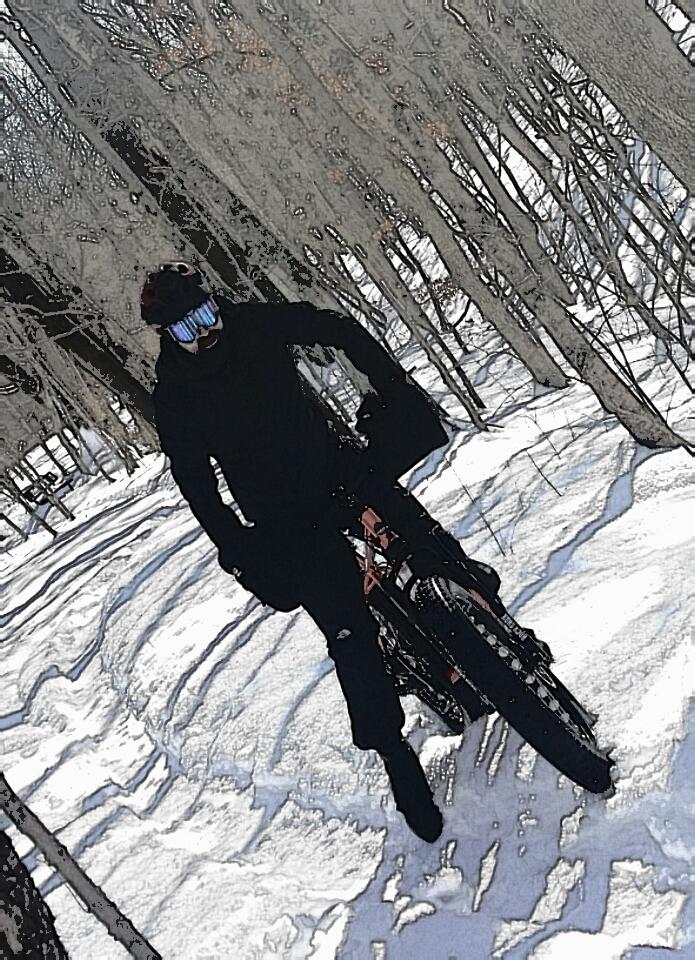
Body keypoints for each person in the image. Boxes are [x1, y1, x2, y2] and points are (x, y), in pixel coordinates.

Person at [142, 261, 497, 842]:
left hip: (336, 472)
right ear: (167, 336)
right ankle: (393, 755)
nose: (205, 334)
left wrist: (392, 387)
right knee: (348, 633)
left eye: (206, 316)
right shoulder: (175, 395)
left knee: (419, 536)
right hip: (283, 521)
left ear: (215, 302)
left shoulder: (253, 324)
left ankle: (479, 605)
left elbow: (334, 327)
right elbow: (196, 483)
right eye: (186, 329)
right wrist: (238, 548)